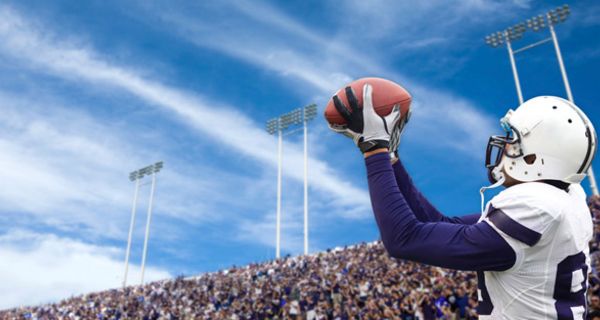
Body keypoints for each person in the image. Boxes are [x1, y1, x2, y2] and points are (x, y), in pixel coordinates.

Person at [329, 83, 597, 319]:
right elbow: (438, 223)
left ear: (533, 159)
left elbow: (403, 239)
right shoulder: (565, 198)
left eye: (513, 141)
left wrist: (374, 149)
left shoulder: (535, 210)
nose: (504, 146)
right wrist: (390, 157)